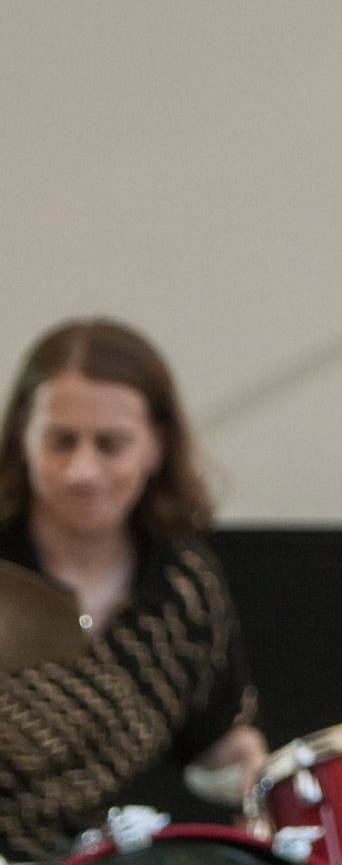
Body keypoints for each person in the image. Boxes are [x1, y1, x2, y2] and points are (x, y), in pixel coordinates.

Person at [0, 319, 265, 860]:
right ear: (23, 439)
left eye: (111, 445)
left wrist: (269, 786)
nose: (83, 471)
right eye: (60, 442)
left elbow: (216, 742)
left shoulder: (185, 588)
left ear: (157, 446)